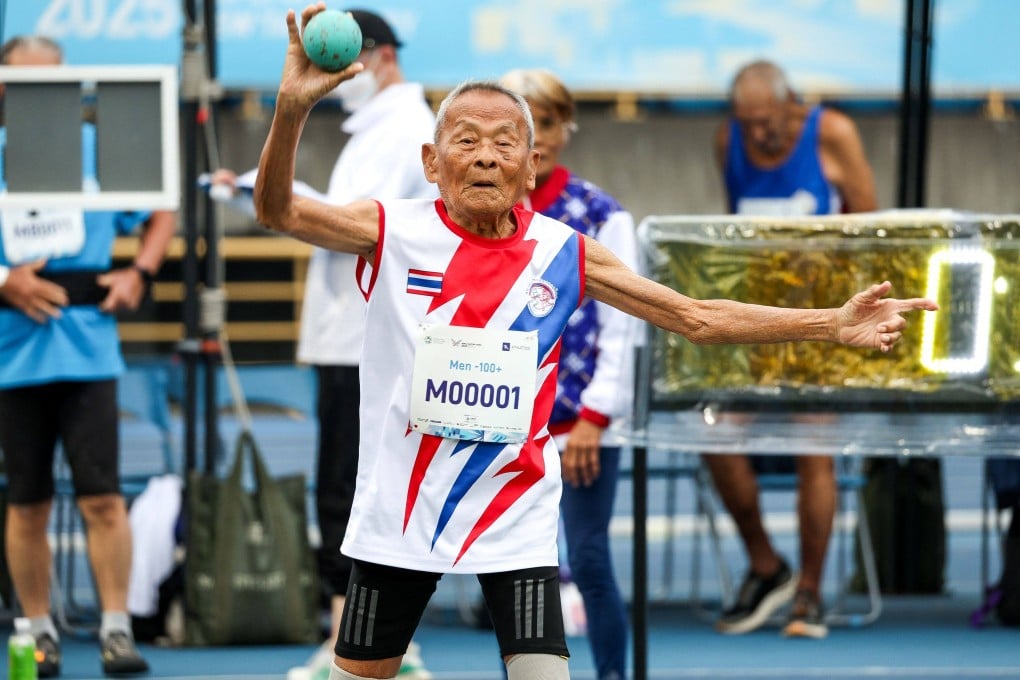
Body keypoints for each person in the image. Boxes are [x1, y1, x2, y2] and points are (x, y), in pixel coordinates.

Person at [253, 7, 935, 678]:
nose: (485, 155)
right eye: (465, 141)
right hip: (402, 506)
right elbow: (277, 210)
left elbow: (696, 316)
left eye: (503, 143)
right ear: (433, 162)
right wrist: (290, 108)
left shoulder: (565, 252)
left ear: (530, 168)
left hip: (513, 510)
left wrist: (829, 323)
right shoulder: (391, 230)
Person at [208, 8, 436, 680]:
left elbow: (366, 227)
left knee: (353, 492)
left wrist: (277, 194)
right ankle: (361, 640)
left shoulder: (407, 131)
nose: (337, 76)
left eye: (345, 61)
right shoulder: (375, 127)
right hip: (349, 337)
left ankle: (373, 644)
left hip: (367, 339)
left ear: (382, 56)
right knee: (350, 490)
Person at [0, 36, 176, 677]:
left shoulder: (100, 152)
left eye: (53, 83)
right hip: (12, 351)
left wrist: (140, 275)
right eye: (23, 83)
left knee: (103, 499)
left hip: (89, 348)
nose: (41, 96)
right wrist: (3, 281)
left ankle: (115, 630)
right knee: (27, 503)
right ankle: (39, 630)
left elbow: (161, 207)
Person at [705, 58, 879, 639]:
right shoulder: (728, 140)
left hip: (824, 322)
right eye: (748, 123)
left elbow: (875, 228)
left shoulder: (832, 133)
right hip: (757, 324)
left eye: (768, 122)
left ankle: (809, 590)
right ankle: (765, 564)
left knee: (813, 441)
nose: (759, 134)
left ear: (792, 106)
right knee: (711, 430)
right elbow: (735, 230)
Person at [498, 68, 636, 680]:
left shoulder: (599, 213)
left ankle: (608, 675)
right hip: (503, 419)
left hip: (581, 424)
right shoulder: (479, 210)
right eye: (519, 122)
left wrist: (595, 418)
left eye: (546, 121)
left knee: (587, 555)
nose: (535, 135)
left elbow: (624, 325)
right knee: (511, 568)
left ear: (564, 129)